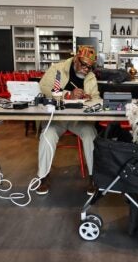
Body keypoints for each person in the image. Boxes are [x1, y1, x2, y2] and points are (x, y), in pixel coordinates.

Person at [36, 45, 99, 195]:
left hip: (79, 119)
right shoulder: (57, 68)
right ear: (76, 59)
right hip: (57, 117)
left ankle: (94, 176)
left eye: (89, 67)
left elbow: (97, 98)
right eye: (83, 65)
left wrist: (90, 98)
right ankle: (43, 176)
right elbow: (43, 87)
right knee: (47, 135)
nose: (86, 69)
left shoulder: (90, 76)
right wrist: (68, 94)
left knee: (90, 134)